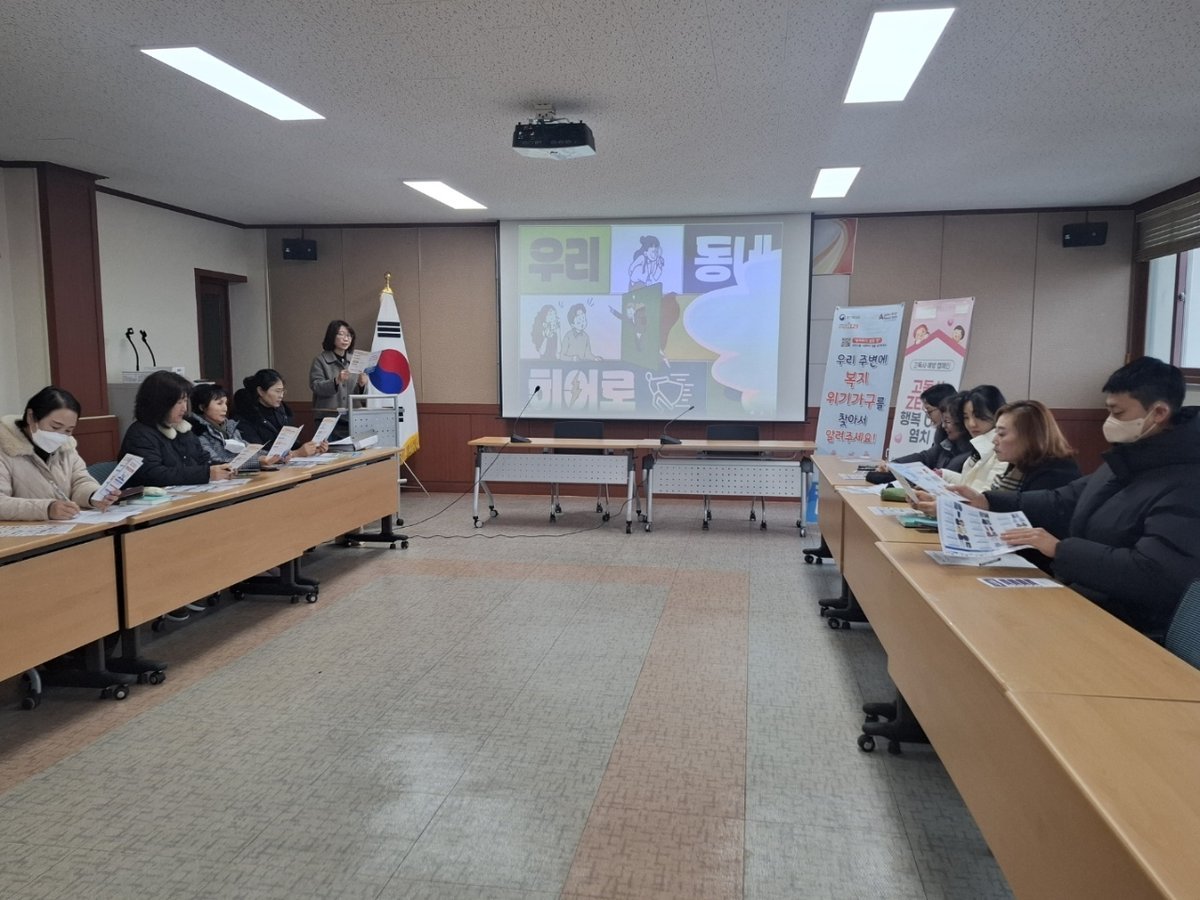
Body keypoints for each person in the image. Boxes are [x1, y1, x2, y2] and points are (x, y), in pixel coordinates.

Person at [953, 357, 1200, 635]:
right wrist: (988, 501)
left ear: (1158, 412)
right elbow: (1063, 499)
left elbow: (1153, 574)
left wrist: (1060, 550)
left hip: (1129, 626)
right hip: (1083, 600)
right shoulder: (1128, 458)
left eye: (1118, 413)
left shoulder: (1187, 483)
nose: (1109, 421)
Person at [0, 386, 119, 520]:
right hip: (23, 531)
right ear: (31, 417)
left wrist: (94, 496)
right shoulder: (4, 447)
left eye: (68, 430)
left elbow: (80, 481)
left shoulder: (66, 447)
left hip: (66, 527)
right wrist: (47, 509)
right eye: (55, 427)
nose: (60, 435)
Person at [121, 370, 233, 487]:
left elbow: (203, 460)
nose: (184, 408)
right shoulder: (140, 434)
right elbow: (154, 475)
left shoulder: (183, 429)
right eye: (179, 402)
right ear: (160, 403)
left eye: (185, 401)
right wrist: (206, 473)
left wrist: (224, 468)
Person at [989, 400, 1081, 492]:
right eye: (996, 432)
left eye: (1001, 434)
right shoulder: (1017, 466)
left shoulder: (1056, 476)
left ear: (1030, 437)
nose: (994, 440)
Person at [232, 369, 327, 456]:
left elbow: (293, 445)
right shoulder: (246, 416)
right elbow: (257, 455)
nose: (281, 396)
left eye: (282, 391)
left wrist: (312, 449)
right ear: (260, 391)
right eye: (277, 391)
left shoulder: (283, 411)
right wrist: (296, 454)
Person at [939, 385, 1007, 492]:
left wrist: (942, 493)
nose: (971, 424)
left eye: (978, 416)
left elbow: (988, 495)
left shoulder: (1004, 448)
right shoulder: (979, 444)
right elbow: (969, 482)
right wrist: (944, 474)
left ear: (996, 413)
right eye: (966, 417)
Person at [309, 320, 367, 439]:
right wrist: (336, 381)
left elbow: (362, 397)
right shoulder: (320, 360)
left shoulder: (355, 361)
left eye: (349, 335)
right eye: (341, 334)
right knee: (329, 450)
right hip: (327, 418)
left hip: (352, 418)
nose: (346, 339)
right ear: (332, 336)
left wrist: (362, 385)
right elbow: (316, 386)